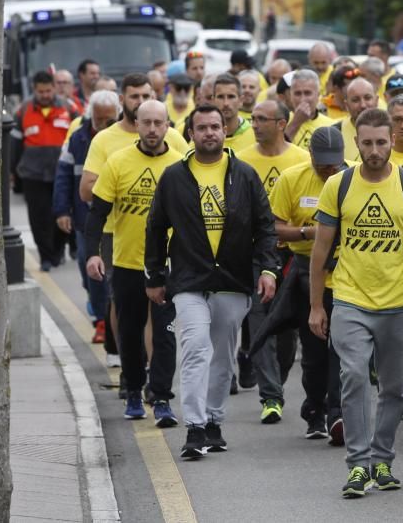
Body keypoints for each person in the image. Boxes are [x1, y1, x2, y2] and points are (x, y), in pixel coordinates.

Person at [309, 108, 403, 498]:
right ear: (357, 143)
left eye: (382, 142)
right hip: (350, 299)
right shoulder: (339, 186)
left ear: (391, 142)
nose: (375, 150)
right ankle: (359, 466)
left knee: (396, 389)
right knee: (354, 376)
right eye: (367, 143)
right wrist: (317, 305)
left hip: (400, 302)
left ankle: (382, 458)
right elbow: (320, 250)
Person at [146, 104, 280, 460]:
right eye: (202, 127)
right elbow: (156, 228)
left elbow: (265, 228)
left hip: (232, 280)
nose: (209, 133)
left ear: (225, 131)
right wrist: (155, 276)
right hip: (188, 279)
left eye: (215, 127)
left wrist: (268, 270)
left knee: (222, 356)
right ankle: (194, 426)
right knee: (194, 348)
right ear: (191, 133)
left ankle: (214, 422)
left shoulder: (245, 175)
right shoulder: (174, 177)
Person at [85, 100, 183, 426]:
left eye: (159, 123)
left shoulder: (180, 164)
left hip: (169, 265)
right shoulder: (118, 162)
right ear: (136, 124)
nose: (153, 129)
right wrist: (93, 253)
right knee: (129, 332)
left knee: (166, 335)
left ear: (168, 125)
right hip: (127, 263)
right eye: (147, 123)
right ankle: (132, 390)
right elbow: (97, 212)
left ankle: (162, 397)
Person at [268, 126, 348, 442]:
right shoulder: (291, 179)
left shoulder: (352, 178)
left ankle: (338, 413)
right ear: (310, 155)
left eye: (335, 163)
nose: (330, 169)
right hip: (304, 272)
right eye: (323, 163)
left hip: (344, 273)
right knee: (314, 352)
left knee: (342, 348)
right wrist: (310, 233)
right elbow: (275, 227)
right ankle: (315, 408)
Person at [237, 100, 308, 423]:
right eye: (253, 119)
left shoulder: (301, 160)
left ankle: (275, 380)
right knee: (259, 318)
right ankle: (271, 396)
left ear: (282, 124)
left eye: (262, 119)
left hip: (293, 252)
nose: (255, 124)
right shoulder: (241, 160)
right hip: (254, 254)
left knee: (286, 330)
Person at [53, 90, 120, 344]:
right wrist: (61, 210)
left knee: (107, 274)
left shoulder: (124, 139)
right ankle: (97, 306)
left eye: (109, 118)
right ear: (91, 116)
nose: (104, 124)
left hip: (115, 221)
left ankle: (103, 321)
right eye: (100, 119)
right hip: (85, 218)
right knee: (86, 266)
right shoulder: (78, 139)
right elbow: (63, 176)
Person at [12, 70, 74, 271]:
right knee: (39, 218)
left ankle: (57, 250)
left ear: (54, 88)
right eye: (41, 92)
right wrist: (14, 172)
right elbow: (15, 144)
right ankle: (45, 257)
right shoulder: (23, 110)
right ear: (34, 90)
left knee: (62, 213)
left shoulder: (69, 108)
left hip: (62, 173)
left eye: (48, 90)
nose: (45, 95)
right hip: (33, 174)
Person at [284, 69, 336, 149]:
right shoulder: (280, 123)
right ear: (291, 95)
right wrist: (295, 123)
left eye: (307, 93)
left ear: (318, 95)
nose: (302, 99)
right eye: (297, 93)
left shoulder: (332, 126)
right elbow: (276, 153)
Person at [334, 77, 378, 161]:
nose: (363, 105)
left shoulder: (391, 129)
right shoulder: (335, 133)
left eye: (367, 98)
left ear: (376, 100)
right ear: (346, 105)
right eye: (355, 100)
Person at [213, 73, 256, 152]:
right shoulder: (203, 136)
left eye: (231, 97)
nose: (226, 103)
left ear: (241, 100)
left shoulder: (255, 135)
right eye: (220, 97)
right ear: (213, 101)